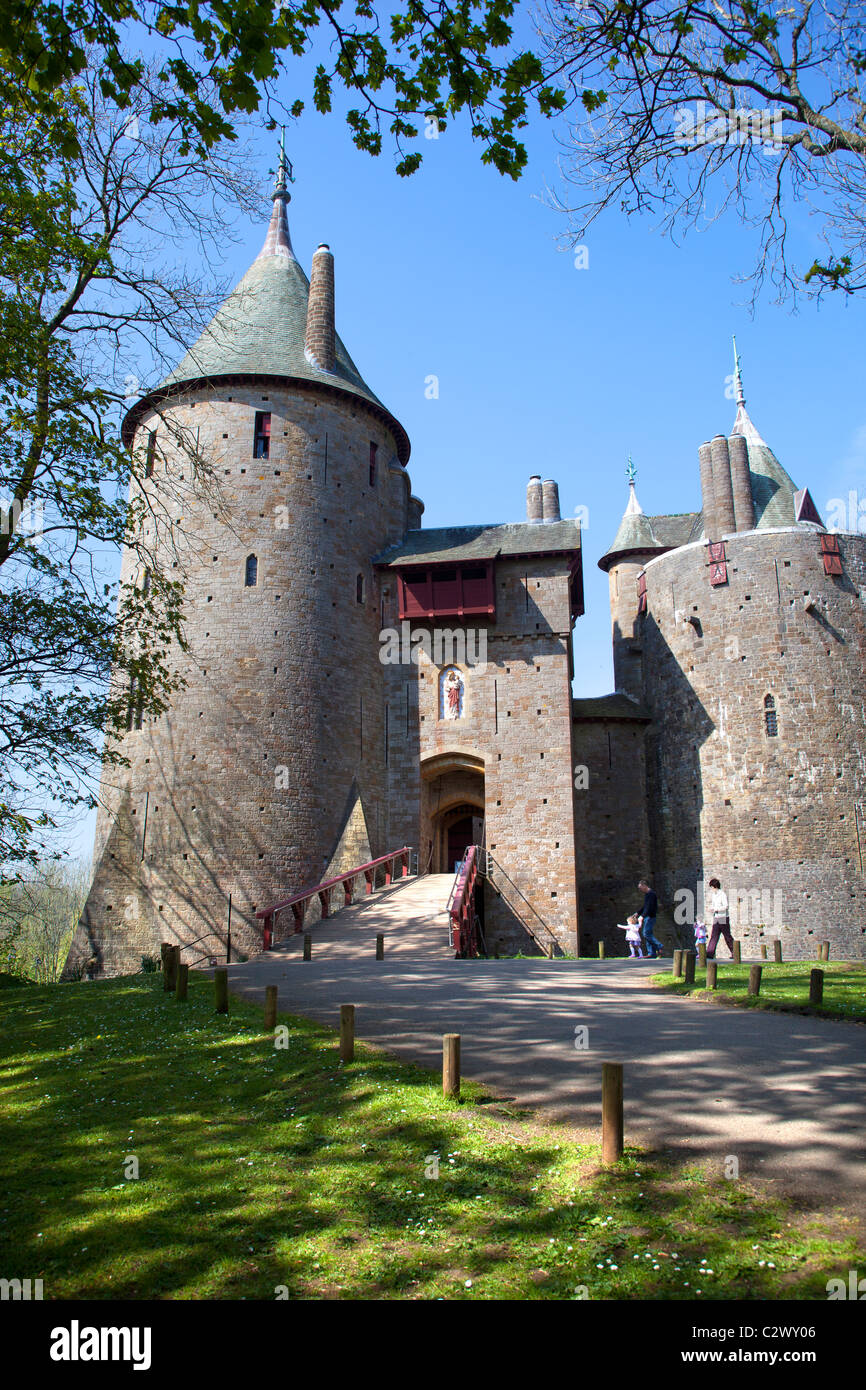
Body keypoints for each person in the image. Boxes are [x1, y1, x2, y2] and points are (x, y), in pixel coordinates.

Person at [706, 878, 734, 958]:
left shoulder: (722, 894)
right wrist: (711, 908)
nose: (711, 889)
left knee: (727, 936)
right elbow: (714, 905)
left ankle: (734, 952)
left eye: (711, 887)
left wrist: (715, 909)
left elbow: (726, 906)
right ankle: (710, 953)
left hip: (723, 917)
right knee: (714, 936)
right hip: (716, 917)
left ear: (714, 886)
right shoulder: (714, 895)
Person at [637, 878, 663, 958]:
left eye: (640, 888)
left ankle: (659, 946)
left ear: (644, 886)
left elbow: (649, 907)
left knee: (646, 934)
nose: (640, 890)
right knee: (649, 933)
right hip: (647, 917)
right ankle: (651, 953)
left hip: (650, 917)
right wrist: (638, 913)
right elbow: (645, 906)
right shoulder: (648, 894)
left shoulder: (651, 894)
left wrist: (642, 916)